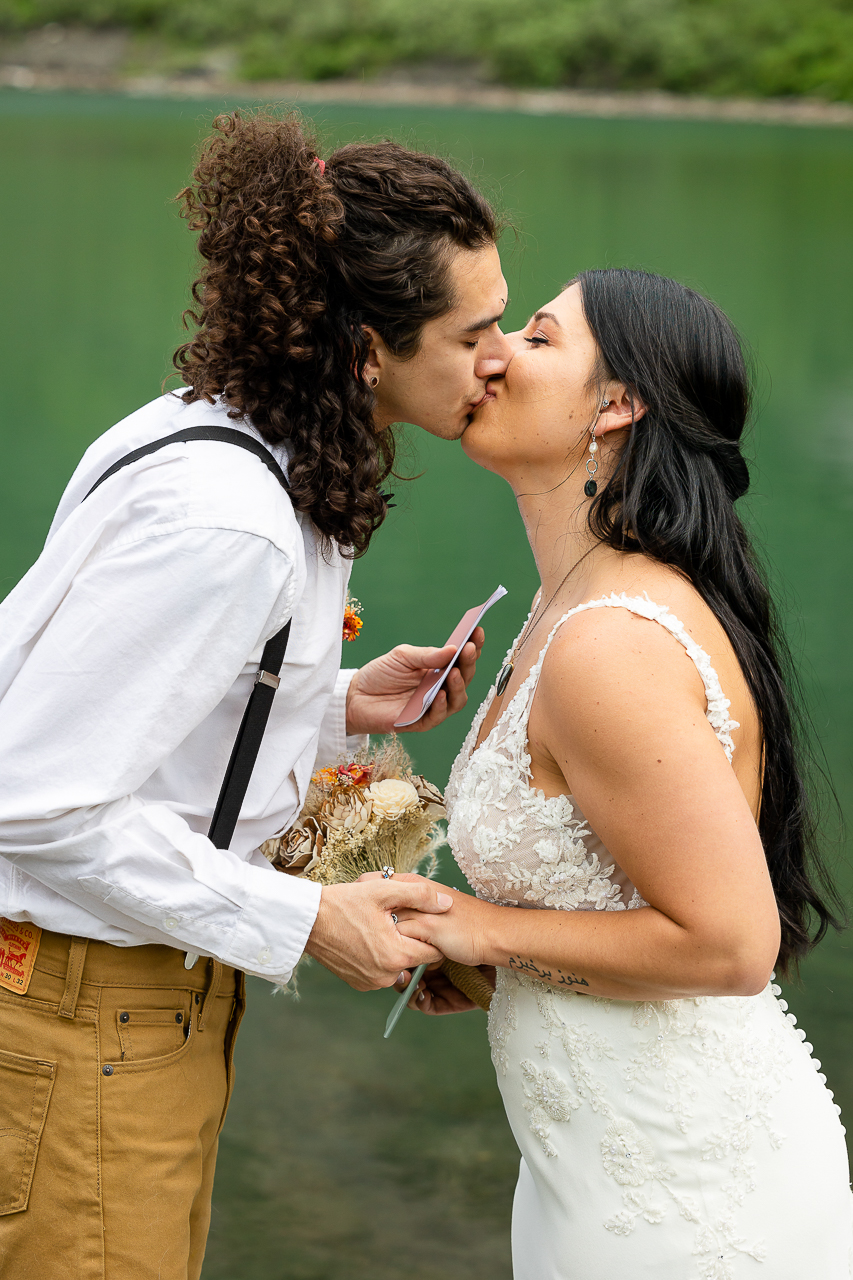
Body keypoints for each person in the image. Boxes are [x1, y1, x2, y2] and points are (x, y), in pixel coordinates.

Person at [0, 111, 512, 1278]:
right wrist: (306, 918)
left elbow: (120, 703)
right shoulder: (230, 523)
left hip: (128, 1007)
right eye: (473, 330)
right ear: (366, 348)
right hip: (83, 1014)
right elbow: (31, 794)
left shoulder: (218, 434)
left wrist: (331, 701)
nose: (501, 356)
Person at [393, 269, 852, 1277]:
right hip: (593, 1167)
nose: (498, 349)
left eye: (541, 336)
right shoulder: (569, 608)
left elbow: (732, 942)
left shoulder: (609, 642)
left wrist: (486, 927)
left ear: (615, 405)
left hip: (684, 1199)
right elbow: (624, 886)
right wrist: (495, 959)